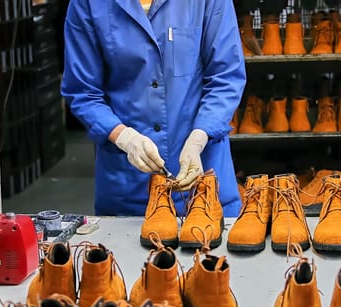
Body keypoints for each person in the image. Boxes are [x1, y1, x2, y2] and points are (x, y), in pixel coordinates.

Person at [61, 0, 246, 217]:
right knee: (125, 249)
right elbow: (83, 91)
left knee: (212, 248)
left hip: (204, 183)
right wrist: (123, 137)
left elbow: (226, 78)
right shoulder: (89, 4)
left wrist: (200, 136)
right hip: (129, 188)